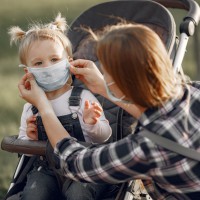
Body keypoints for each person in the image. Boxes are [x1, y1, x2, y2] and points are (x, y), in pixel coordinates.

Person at [18, 22, 200, 200]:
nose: (102, 76)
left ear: (123, 81)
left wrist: (44, 107)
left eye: (106, 72)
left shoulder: (143, 148)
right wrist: (106, 90)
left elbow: (75, 162)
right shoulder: (194, 91)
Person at [9, 13, 112, 200]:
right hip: (45, 170)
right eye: (38, 63)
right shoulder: (31, 107)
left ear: (69, 62)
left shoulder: (82, 98)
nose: (47, 67)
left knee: (79, 193)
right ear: (28, 71)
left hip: (83, 168)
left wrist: (92, 124)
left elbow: (104, 137)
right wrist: (30, 138)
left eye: (54, 60)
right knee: (34, 193)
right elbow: (25, 150)